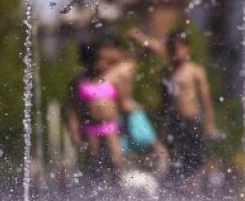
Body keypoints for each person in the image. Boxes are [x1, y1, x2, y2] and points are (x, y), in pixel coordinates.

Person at [159, 30, 217, 192]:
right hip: (175, 123)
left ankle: (195, 188)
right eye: (171, 49)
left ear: (187, 48)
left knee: (197, 158)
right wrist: (161, 129)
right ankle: (181, 191)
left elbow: (206, 99)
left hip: (192, 121)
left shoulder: (195, 71)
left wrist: (209, 122)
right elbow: (163, 104)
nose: (175, 52)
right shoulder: (167, 73)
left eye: (178, 48)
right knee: (176, 159)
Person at [65, 37, 124, 191]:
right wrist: (73, 130)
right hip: (90, 127)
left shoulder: (112, 78)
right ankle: (94, 192)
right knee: (94, 161)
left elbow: (121, 103)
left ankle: (119, 192)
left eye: (103, 61)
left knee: (116, 160)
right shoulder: (79, 81)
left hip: (110, 126)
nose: (100, 64)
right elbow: (70, 108)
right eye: (97, 60)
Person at [104, 34, 169, 172]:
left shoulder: (128, 64)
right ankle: (124, 183)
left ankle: (162, 179)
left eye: (111, 50)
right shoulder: (108, 71)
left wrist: (139, 37)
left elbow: (159, 51)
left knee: (158, 150)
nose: (108, 54)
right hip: (118, 117)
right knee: (118, 156)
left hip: (132, 113)